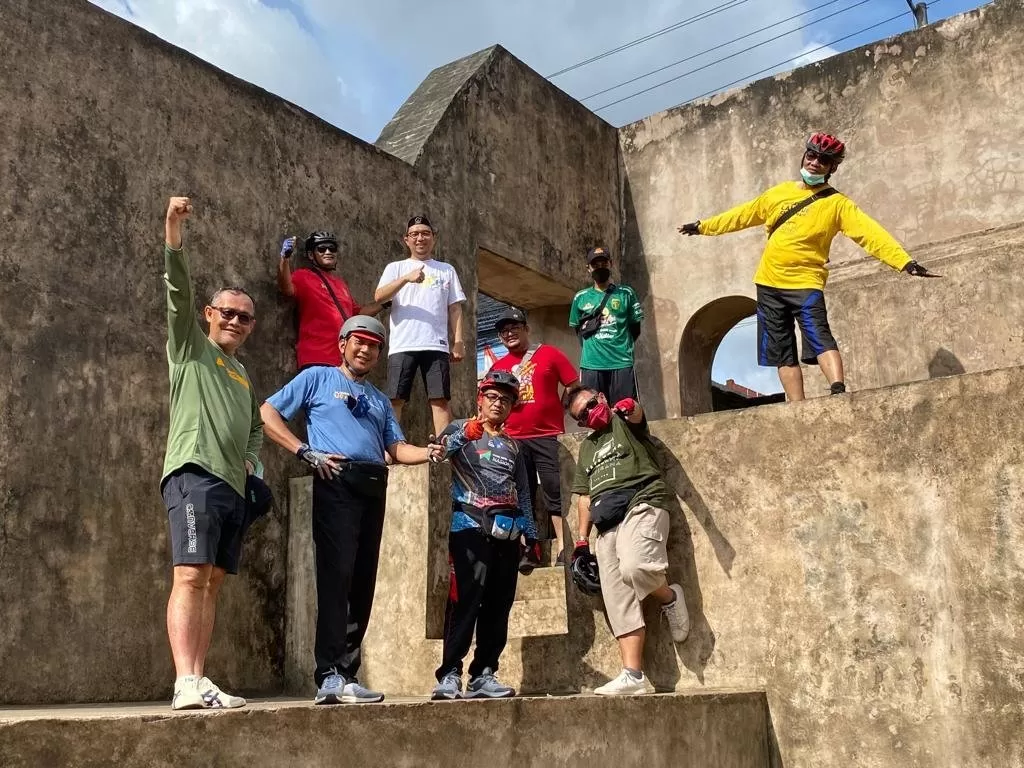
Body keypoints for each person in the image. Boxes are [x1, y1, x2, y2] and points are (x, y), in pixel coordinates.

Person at [259, 315, 441, 705]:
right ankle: (327, 674)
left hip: (374, 485)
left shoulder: (378, 399)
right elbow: (268, 413)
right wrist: (304, 450)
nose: (365, 349)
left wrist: (429, 453)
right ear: (342, 343)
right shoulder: (317, 378)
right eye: (358, 341)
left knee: (363, 582)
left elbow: (396, 449)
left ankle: (348, 674)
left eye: (374, 345)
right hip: (335, 479)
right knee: (335, 578)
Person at [678, 132, 938, 401]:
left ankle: (838, 391)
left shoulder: (838, 204)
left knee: (819, 335)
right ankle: (798, 407)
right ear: (804, 156)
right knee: (781, 351)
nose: (815, 162)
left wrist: (904, 262)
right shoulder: (778, 193)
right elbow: (741, 215)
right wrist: (702, 227)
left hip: (806, 283)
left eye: (823, 160)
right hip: (768, 283)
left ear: (832, 168)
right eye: (811, 155)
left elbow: (870, 234)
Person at [160, 196, 263, 711]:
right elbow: (176, 292)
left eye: (245, 318)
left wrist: (253, 465)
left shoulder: (242, 374)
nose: (237, 322)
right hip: (193, 474)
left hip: (231, 485)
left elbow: (253, 432)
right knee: (190, 574)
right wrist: (173, 230)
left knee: (214, 581)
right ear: (209, 314)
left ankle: (200, 679)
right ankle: (184, 680)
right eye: (228, 313)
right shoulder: (189, 347)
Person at [567, 387, 690, 696]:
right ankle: (633, 675)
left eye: (591, 405)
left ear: (601, 397)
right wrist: (581, 540)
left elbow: (638, 414)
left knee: (636, 568)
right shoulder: (587, 448)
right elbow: (584, 495)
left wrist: (631, 405)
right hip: (606, 520)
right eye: (581, 416)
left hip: (642, 501)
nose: (589, 414)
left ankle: (668, 597)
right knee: (616, 594)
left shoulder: (622, 421)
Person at [430, 371, 538, 701]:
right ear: (480, 399)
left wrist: (531, 537)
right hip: (469, 530)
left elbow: (522, 492)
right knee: (464, 604)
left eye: (505, 400)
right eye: (492, 397)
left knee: (498, 606)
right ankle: (449, 674)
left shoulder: (515, 447)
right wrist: (465, 434)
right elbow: (439, 453)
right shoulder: (460, 428)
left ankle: (484, 674)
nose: (498, 403)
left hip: (507, 533)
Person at [489, 307, 580, 566]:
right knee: (522, 493)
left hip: (548, 434)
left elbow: (573, 383)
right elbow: (486, 400)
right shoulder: (498, 366)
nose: (509, 333)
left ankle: (564, 546)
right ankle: (530, 547)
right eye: (504, 331)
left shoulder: (548, 353)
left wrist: (561, 407)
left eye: (514, 328)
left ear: (526, 329)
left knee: (554, 490)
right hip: (514, 438)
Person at [374, 215, 467, 436]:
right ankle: (392, 447)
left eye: (425, 233)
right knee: (395, 398)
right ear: (406, 240)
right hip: (402, 344)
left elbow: (455, 308)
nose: (420, 238)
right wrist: (406, 279)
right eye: (414, 234)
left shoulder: (446, 270)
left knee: (440, 399)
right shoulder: (396, 268)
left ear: (433, 238)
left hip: (436, 344)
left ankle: (445, 450)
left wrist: (459, 341)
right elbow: (379, 296)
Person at [276, 230, 382, 370]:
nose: (328, 252)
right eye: (321, 249)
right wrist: (285, 259)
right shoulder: (303, 276)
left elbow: (357, 314)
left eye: (332, 248)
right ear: (310, 255)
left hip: (342, 359)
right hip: (316, 356)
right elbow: (287, 288)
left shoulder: (341, 284)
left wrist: (385, 303)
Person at [569, 246, 644, 404]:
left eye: (604, 263)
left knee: (626, 411)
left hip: (621, 362)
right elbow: (579, 331)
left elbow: (635, 329)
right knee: (595, 412)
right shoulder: (580, 297)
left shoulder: (626, 293)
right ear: (588, 268)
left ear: (610, 263)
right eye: (595, 265)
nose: (600, 267)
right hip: (591, 365)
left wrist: (619, 345)